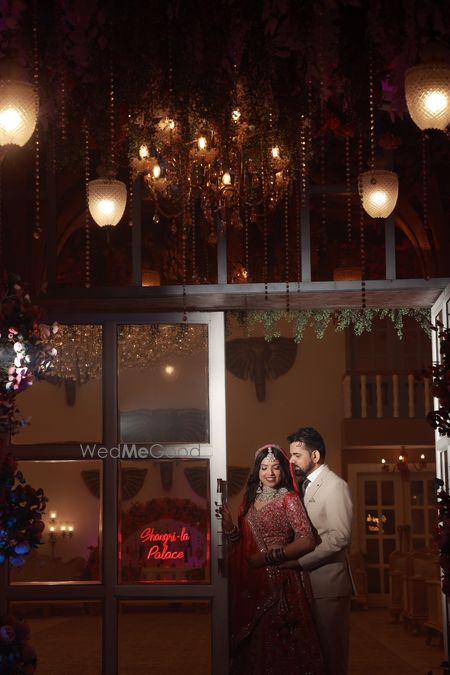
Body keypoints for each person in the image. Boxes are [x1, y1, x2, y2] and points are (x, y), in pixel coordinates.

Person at [217, 443, 325, 675]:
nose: (270, 473)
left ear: (283, 470)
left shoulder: (289, 499)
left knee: (280, 641)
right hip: (252, 583)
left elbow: (307, 540)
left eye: (275, 467)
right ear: (257, 470)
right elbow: (242, 546)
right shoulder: (250, 501)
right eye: (264, 467)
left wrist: (268, 557)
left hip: (281, 582)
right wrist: (229, 528)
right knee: (254, 645)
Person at [288, 427, 353, 675]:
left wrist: (300, 562)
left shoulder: (336, 486)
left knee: (332, 656)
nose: (291, 460)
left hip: (328, 586)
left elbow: (340, 537)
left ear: (314, 456)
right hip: (308, 585)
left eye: (297, 455)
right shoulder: (302, 486)